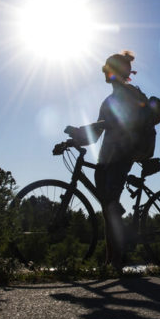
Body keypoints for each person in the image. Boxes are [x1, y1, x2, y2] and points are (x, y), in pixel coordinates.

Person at [57, 50, 149, 270]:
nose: (104, 73)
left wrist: (83, 129)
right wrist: (72, 141)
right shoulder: (108, 100)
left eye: (108, 69)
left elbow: (114, 123)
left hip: (122, 154)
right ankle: (110, 260)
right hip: (106, 157)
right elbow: (96, 134)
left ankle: (117, 260)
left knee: (110, 205)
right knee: (107, 210)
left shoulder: (127, 95)